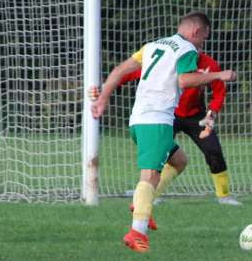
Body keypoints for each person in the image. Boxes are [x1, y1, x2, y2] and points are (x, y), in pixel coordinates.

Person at [91, 12, 237, 253]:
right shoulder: (187, 49)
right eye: (204, 38)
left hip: (138, 120)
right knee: (148, 176)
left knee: (179, 161)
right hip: (156, 120)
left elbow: (119, 70)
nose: (202, 44)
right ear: (196, 32)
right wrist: (219, 75)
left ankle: (143, 208)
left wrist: (103, 99)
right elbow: (184, 80)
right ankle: (137, 232)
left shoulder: (152, 46)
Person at [99, 49, 240, 206]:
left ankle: (224, 196)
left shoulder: (210, 64)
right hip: (167, 114)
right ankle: (151, 193)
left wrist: (211, 115)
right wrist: (106, 88)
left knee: (213, 151)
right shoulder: (167, 61)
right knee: (159, 155)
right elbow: (130, 74)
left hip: (196, 116)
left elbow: (219, 94)